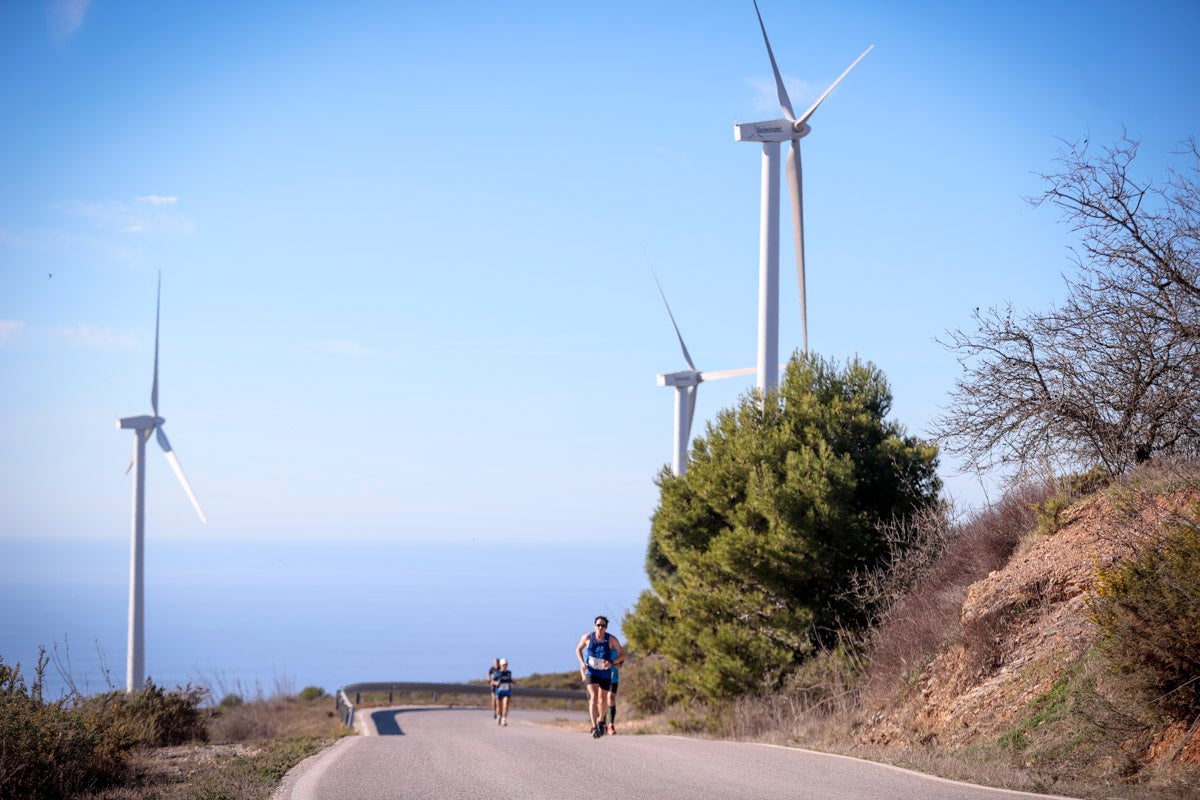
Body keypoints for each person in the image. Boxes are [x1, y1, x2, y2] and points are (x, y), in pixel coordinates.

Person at [576, 615, 625, 738]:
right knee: (593, 697)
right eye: (598, 625)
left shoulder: (611, 640)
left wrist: (612, 663)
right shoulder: (587, 637)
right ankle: (593, 726)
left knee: (602, 700)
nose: (600, 628)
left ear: (606, 627)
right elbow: (578, 649)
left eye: (603, 626)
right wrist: (582, 663)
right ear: (594, 626)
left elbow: (623, 654)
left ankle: (601, 720)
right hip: (591, 671)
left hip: (605, 672)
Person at [491, 657, 514, 726]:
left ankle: (504, 719)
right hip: (499, 692)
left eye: (506, 665)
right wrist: (496, 683)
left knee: (506, 705)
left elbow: (510, 680)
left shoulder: (509, 673)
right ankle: (499, 716)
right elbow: (491, 682)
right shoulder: (497, 673)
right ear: (500, 665)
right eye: (503, 665)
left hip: (507, 691)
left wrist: (513, 682)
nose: (505, 666)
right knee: (499, 707)